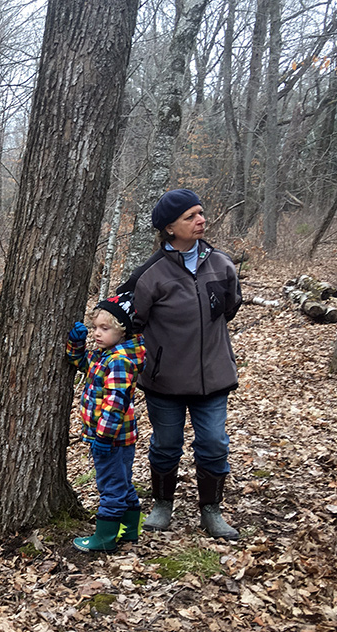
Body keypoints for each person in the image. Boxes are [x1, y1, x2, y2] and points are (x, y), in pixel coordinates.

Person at [117, 188, 242, 540]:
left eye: (200, 213)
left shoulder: (222, 264)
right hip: (164, 381)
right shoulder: (150, 274)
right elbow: (126, 319)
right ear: (169, 228)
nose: (200, 220)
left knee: (215, 443)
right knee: (166, 443)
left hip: (214, 377)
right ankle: (162, 505)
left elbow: (231, 307)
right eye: (190, 217)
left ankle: (211, 511)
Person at [67, 292, 146, 552]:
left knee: (110, 485)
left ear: (122, 331)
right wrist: (76, 345)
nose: (97, 334)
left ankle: (105, 538)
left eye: (105, 328)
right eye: (95, 328)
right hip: (112, 437)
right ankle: (130, 530)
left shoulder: (120, 361)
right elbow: (81, 363)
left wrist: (103, 437)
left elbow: (116, 402)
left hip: (111, 438)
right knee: (121, 482)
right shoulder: (105, 355)